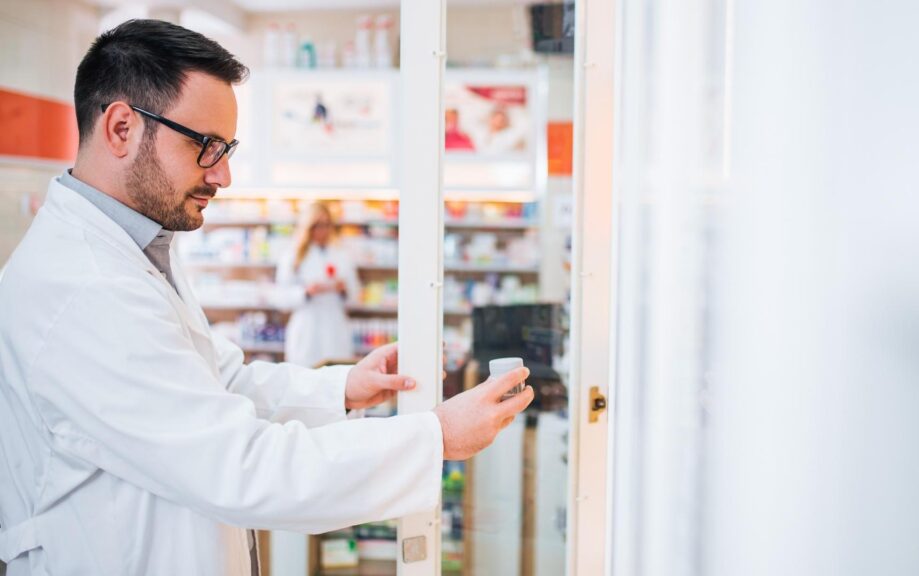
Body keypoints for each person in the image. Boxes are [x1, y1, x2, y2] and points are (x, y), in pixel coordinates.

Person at [0, 19, 533, 575]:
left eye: (226, 148)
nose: (224, 174)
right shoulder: (83, 288)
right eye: (206, 145)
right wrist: (435, 438)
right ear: (120, 129)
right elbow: (243, 468)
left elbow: (219, 384)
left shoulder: (132, 250)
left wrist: (343, 387)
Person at [276, 201, 361, 366]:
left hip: (335, 324)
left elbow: (355, 294)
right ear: (307, 227)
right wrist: (306, 292)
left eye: (327, 225)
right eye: (317, 225)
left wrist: (344, 290)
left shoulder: (341, 254)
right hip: (306, 327)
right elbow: (281, 297)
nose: (323, 230)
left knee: (337, 379)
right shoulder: (293, 255)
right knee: (304, 380)